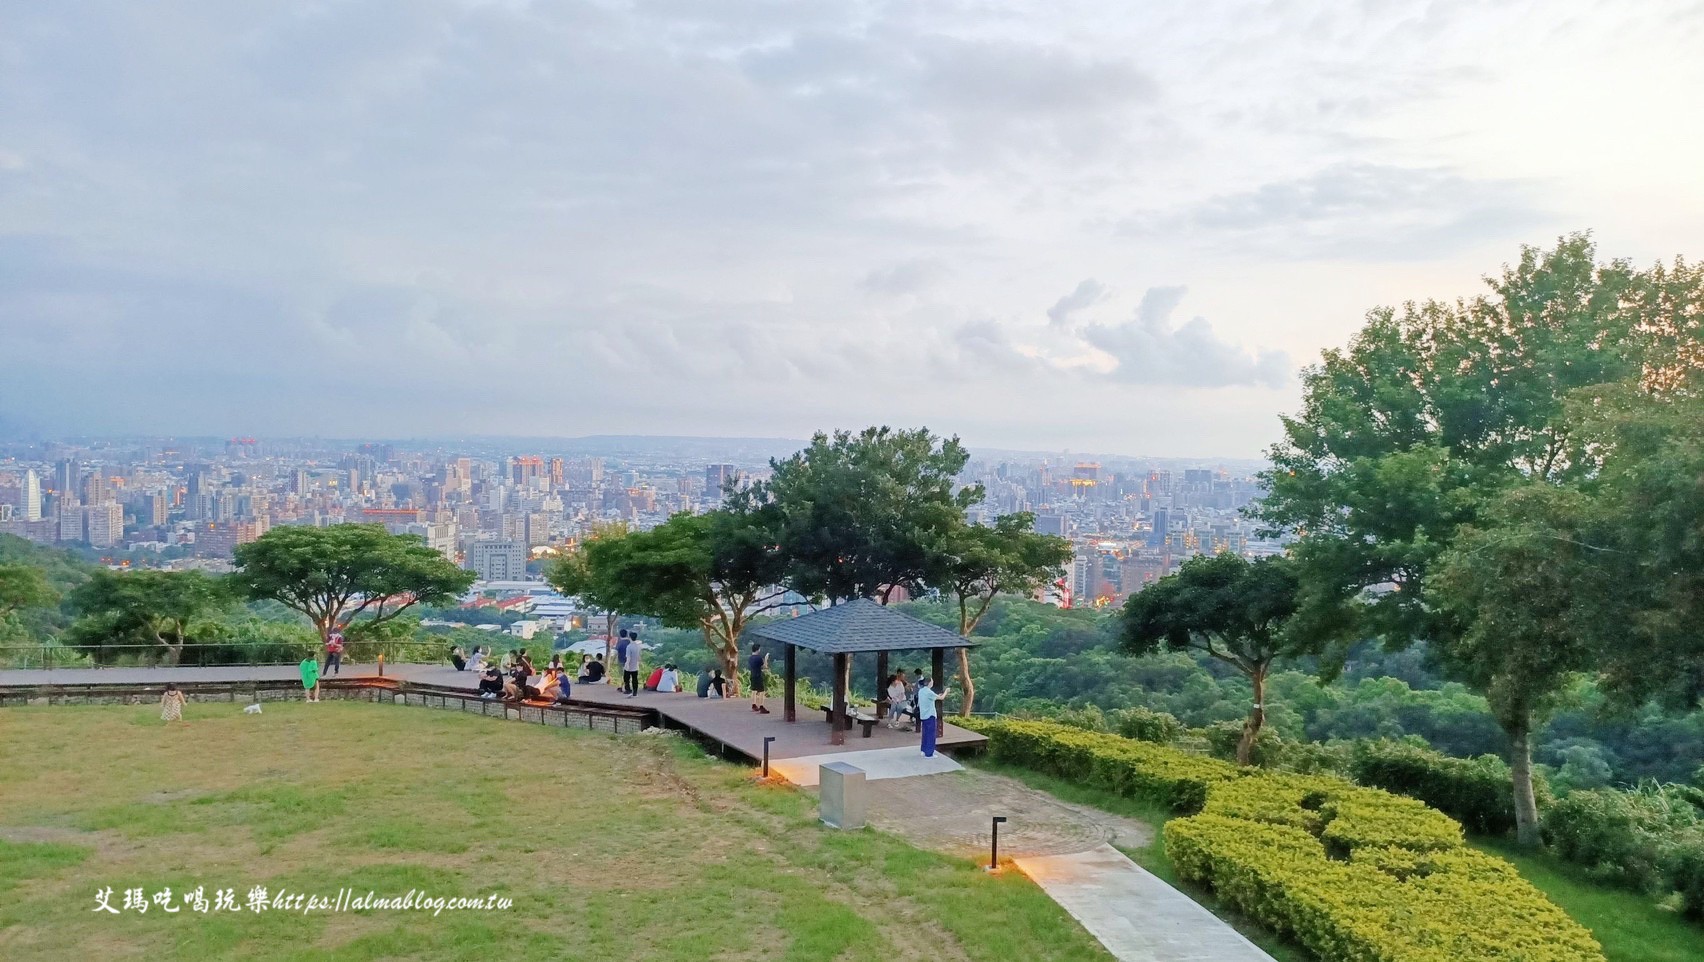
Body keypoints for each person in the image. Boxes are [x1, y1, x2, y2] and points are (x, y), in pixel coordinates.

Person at [917, 676, 950, 757]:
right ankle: (929, 753)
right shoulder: (929, 692)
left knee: (925, 733)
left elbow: (932, 697)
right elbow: (941, 698)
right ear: (929, 683)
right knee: (931, 735)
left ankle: (924, 750)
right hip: (930, 715)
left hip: (923, 715)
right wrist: (946, 691)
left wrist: (937, 695)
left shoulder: (921, 691)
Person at [748, 643, 770, 714]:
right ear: (758, 650)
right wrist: (766, 659)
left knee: (753, 690)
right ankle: (761, 706)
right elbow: (765, 667)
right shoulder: (759, 658)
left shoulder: (750, 658)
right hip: (758, 676)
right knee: (761, 691)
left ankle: (753, 705)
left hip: (752, 675)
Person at [622, 632, 643, 697]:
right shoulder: (638, 646)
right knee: (635, 679)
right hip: (635, 665)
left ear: (630, 637)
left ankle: (628, 689)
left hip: (629, 665)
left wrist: (627, 665)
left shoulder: (629, 646)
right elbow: (639, 656)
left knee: (626, 678)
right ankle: (635, 692)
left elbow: (628, 657)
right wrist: (640, 663)